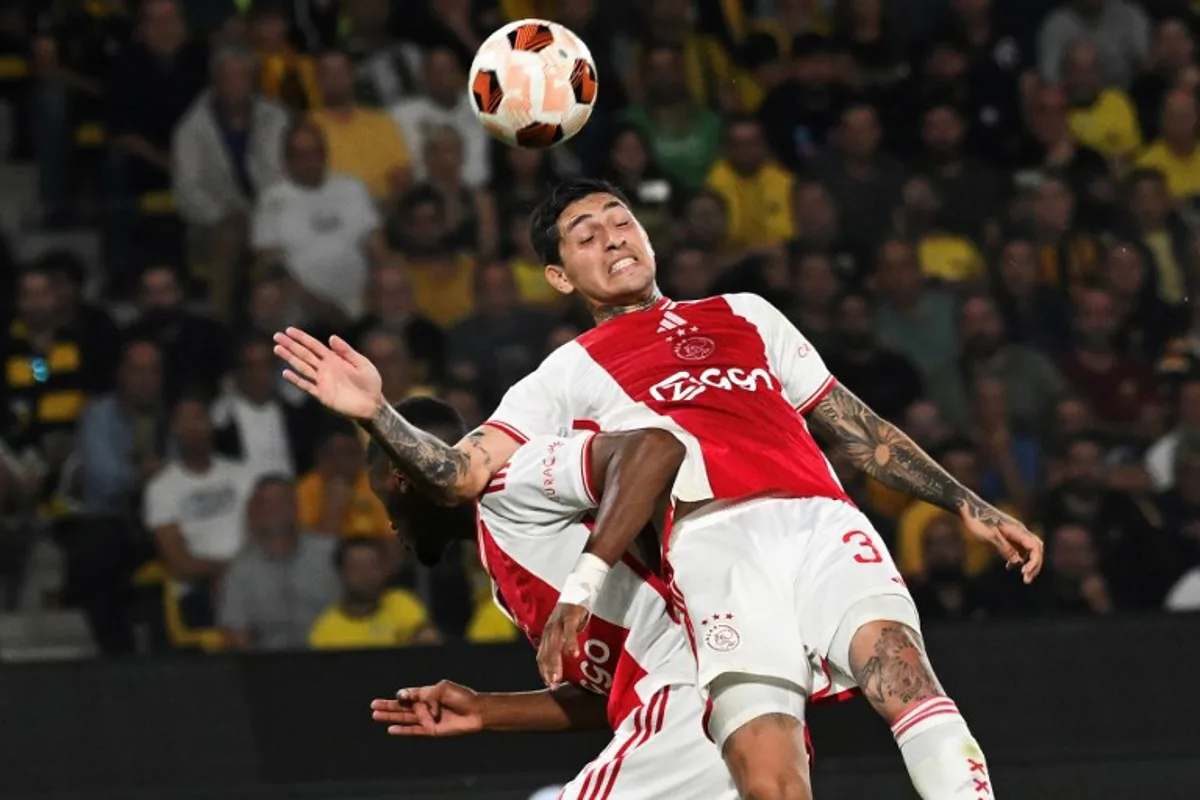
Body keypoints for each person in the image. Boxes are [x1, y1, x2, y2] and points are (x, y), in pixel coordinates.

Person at [275, 178, 1042, 800]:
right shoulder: (563, 374)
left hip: (821, 518)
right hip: (713, 548)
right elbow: (462, 472)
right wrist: (376, 413)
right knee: (765, 773)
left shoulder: (744, 313)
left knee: (905, 677)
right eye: (586, 235)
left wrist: (968, 503)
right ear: (559, 276)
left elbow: (855, 427)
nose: (612, 236)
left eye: (621, 220)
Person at [365, 397, 740, 799]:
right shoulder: (504, 576)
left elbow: (653, 447)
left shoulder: (510, 482)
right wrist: (484, 709)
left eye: (383, 501)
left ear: (401, 479)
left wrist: (582, 587)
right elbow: (607, 699)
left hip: (696, 689)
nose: (389, 523)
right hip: (702, 716)